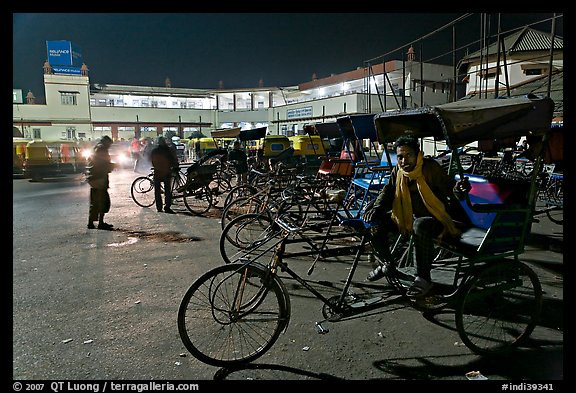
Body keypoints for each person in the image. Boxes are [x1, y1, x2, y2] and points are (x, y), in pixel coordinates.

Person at [362, 135, 471, 297]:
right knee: (376, 223)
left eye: (408, 155)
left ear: (418, 154)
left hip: (437, 219)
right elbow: (388, 192)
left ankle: (424, 278)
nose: (404, 161)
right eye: (400, 157)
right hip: (409, 218)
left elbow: (451, 190)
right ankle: (387, 264)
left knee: (419, 225)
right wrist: (377, 209)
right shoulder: (398, 171)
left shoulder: (430, 168)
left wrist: (459, 189)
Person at [86, 135, 116, 230]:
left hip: (93, 178)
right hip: (99, 178)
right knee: (103, 200)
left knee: (94, 201)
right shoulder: (102, 150)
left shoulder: (96, 148)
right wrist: (113, 165)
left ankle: (91, 223)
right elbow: (103, 165)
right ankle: (101, 223)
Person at [150, 136, 179, 214]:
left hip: (158, 173)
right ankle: (167, 207)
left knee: (157, 191)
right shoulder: (168, 150)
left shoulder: (154, 151)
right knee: (167, 191)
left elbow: (152, 161)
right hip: (166, 172)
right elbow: (173, 160)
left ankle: (159, 207)